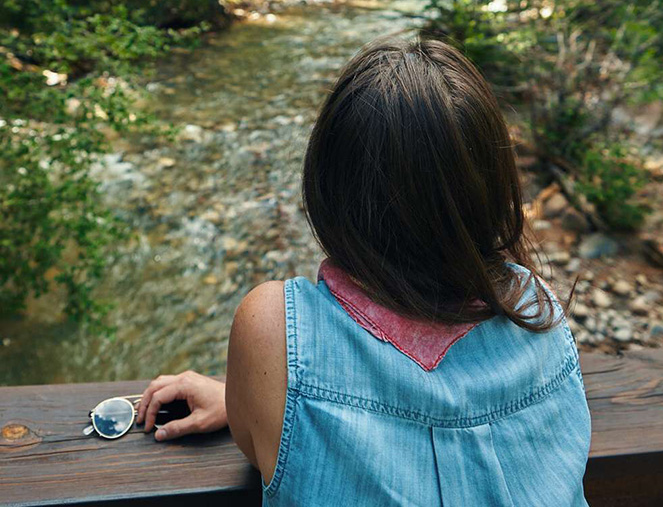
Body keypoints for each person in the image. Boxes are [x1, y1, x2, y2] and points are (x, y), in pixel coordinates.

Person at [136, 36, 592, 505]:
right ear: (491, 188)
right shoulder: (535, 305)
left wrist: (253, 389)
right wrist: (243, 394)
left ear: (329, 184)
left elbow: (271, 448)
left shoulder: (270, 325)